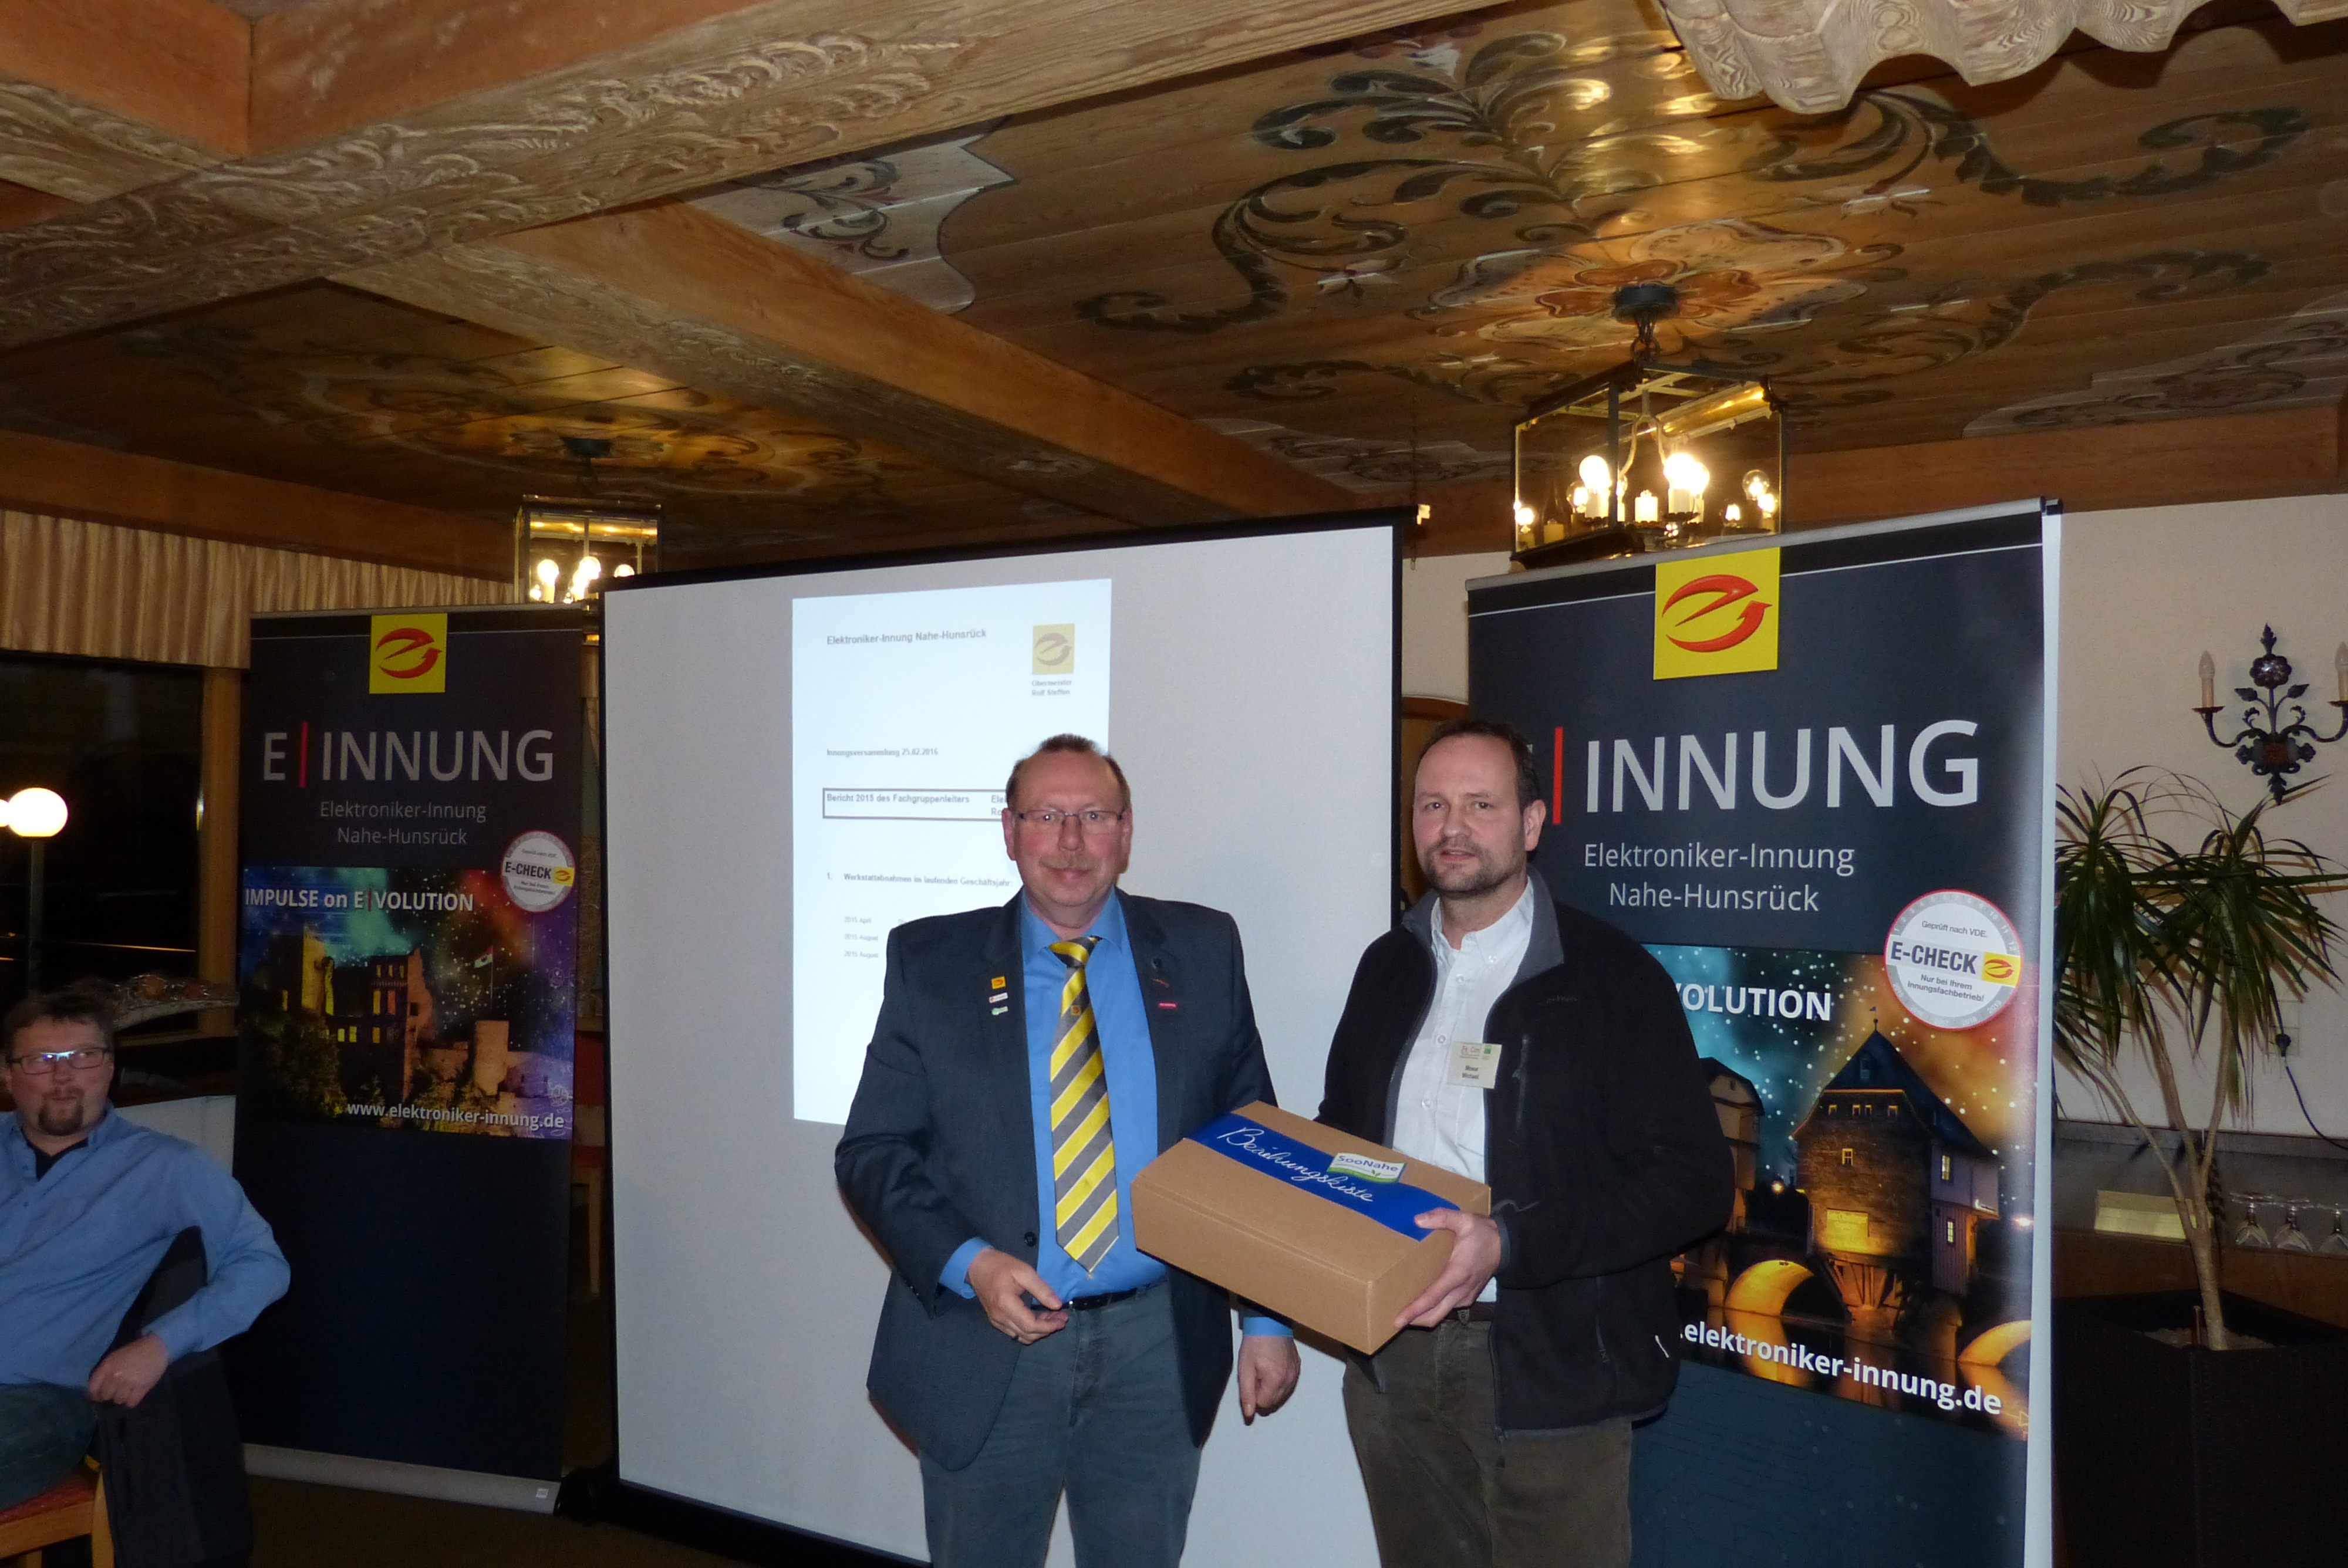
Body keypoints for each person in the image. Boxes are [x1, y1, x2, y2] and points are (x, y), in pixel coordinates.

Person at [837, 734, 1300, 1568]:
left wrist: (1266, 1316)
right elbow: (872, 1150)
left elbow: (1250, 1141)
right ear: (1009, 832)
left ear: (1126, 832)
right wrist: (972, 1264)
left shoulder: (1202, 950)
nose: (1071, 841)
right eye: (1047, 816)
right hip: (988, 1343)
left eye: (1094, 815)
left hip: (1156, 1345)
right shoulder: (931, 963)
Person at [1318, 718, 1731, 1568]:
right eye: (1432, 805)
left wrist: (1510, 1241)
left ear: (1533, 822)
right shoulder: (1385, 967)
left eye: (1481, 804)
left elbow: (1692, 1182)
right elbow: (1343, 1133)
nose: (1452, 827)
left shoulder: (1613, 980)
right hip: (1392, 1360)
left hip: (1551, 1372)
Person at [0, 985, 291, 1509]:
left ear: (110, 1068)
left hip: (38, 1396)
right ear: (8, 1073)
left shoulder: (165, 1168)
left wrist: (160, 1345)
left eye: (85, 1057)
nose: (64, 1078)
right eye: (41, 1060)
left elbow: (262, 1266)